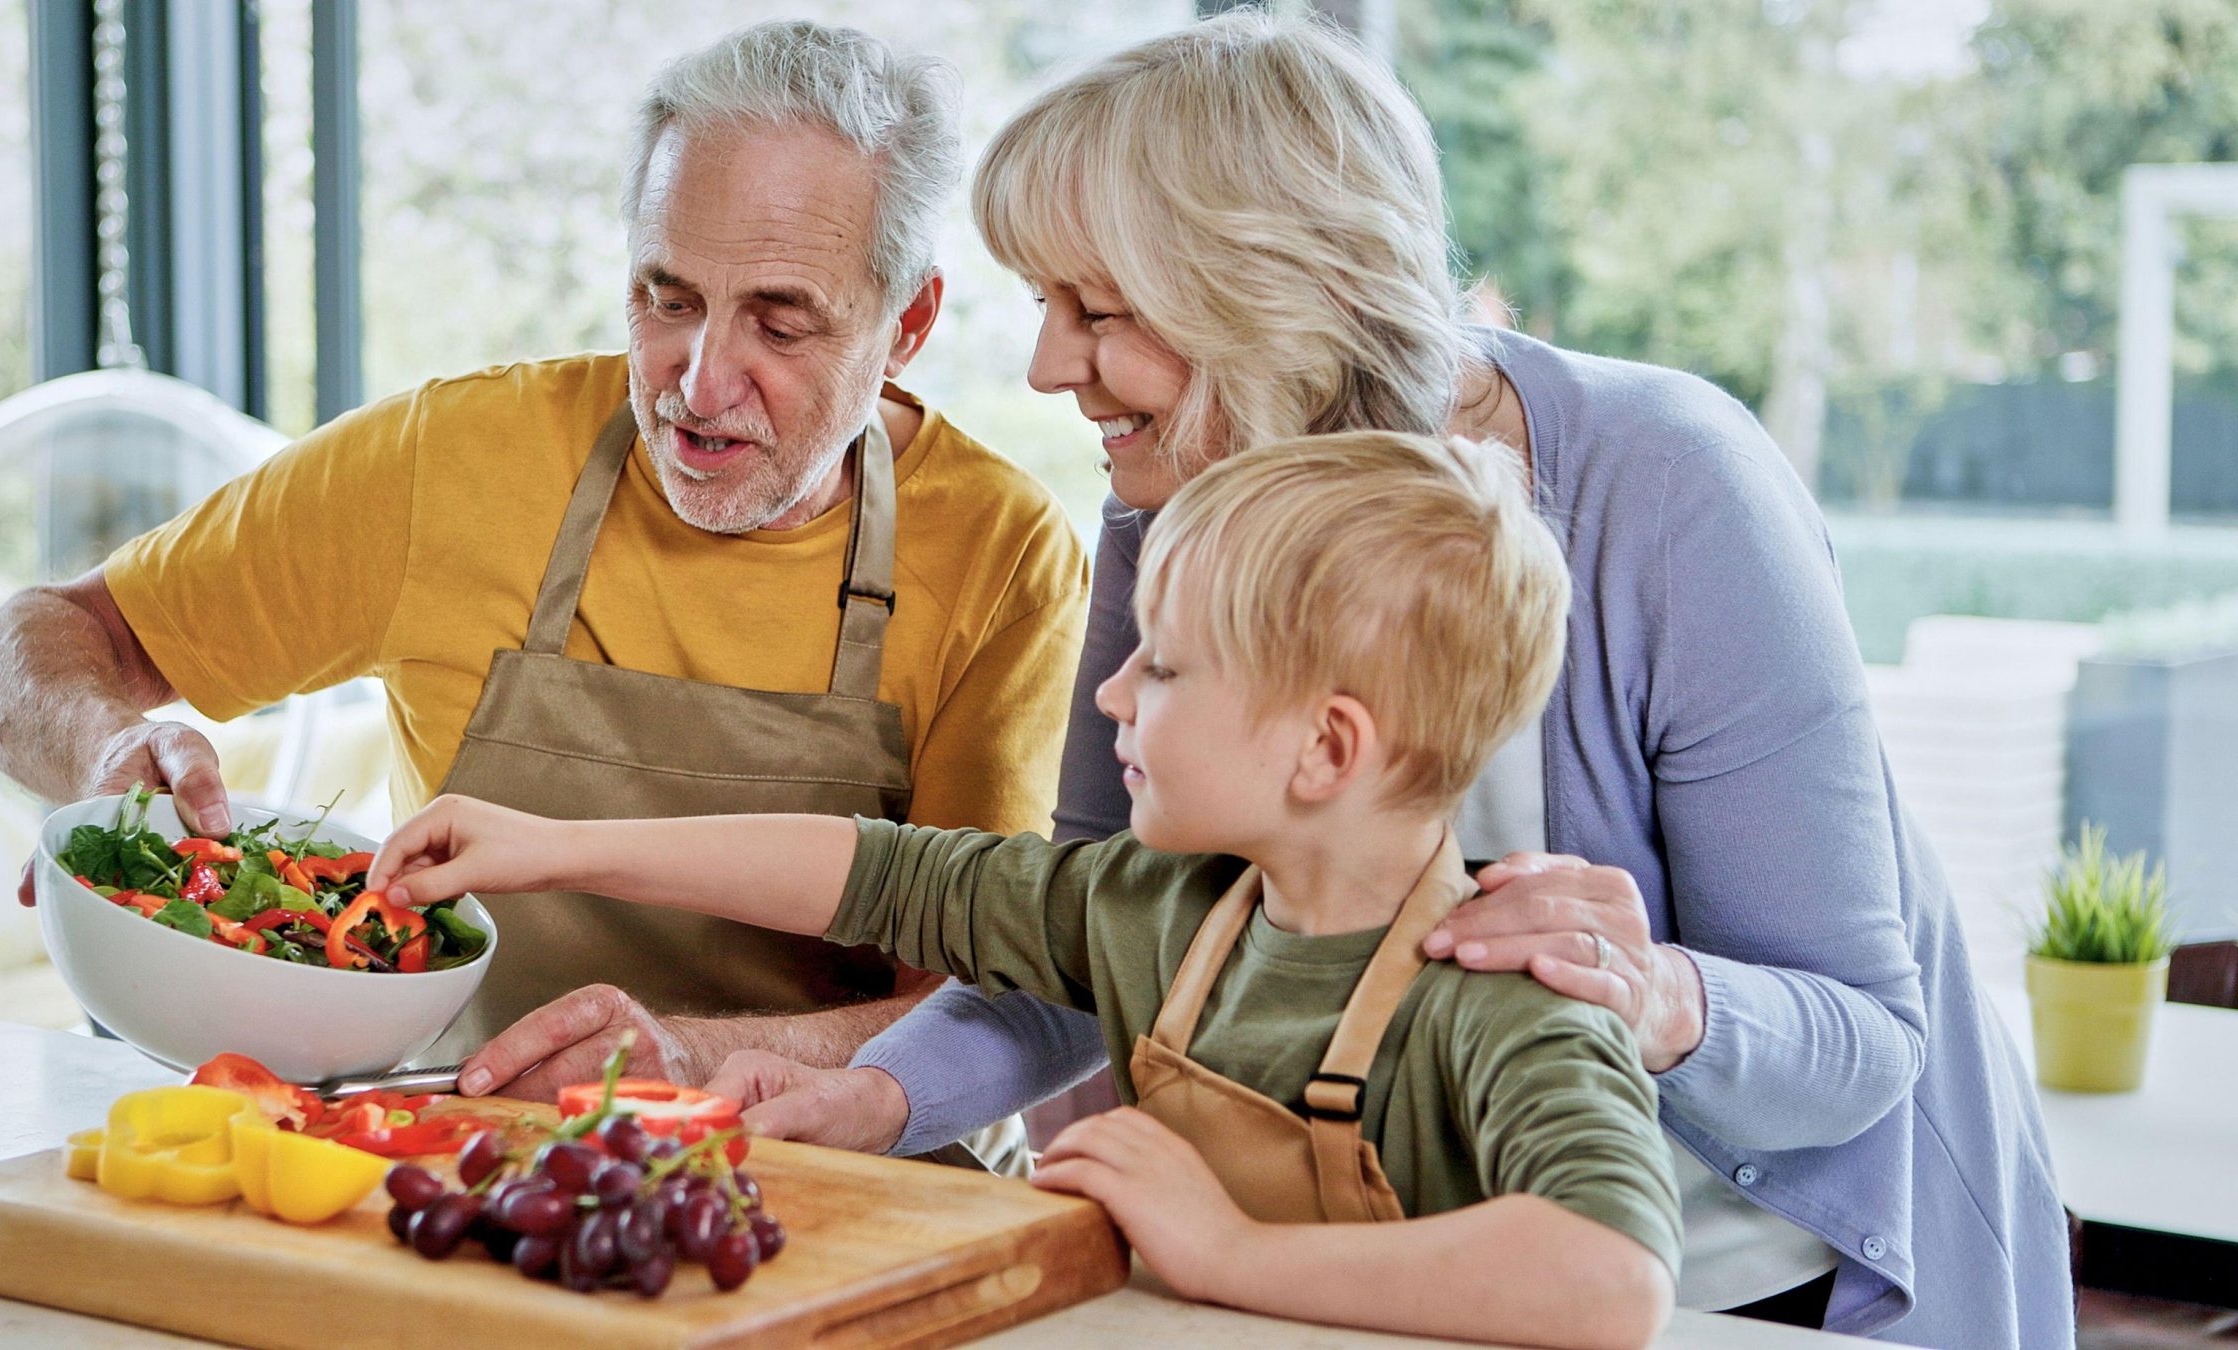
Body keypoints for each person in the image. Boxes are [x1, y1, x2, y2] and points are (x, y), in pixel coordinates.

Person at [716, 14, 2072, 1344]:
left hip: (1742, 1281)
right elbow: (1088, 933)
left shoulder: (1670, 490)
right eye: (1043, 305)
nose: (1046, 364)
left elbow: (1861, 1037)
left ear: (1268, 292)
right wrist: (878, 1098)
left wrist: (1656, 991)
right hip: (1372, 1282)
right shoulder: (1177, 495)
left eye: (1100, 310)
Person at [0, 21, 1088, 1122]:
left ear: (907, 324)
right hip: (463, 1154)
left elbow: (995, 991)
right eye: (667, 298)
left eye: (778, 327)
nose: (697, 384)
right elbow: (24, 643)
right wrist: (100, 753)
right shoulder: (452, 461)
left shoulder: (1001, 553)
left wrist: (696, 1059)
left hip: (858, 1190)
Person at [369, 431, 1682, 1350]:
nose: (1112, 695)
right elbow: (871, 872)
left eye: (1163, 670)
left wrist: (1226, 1249)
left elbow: (1611, 1279)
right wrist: (547, 845)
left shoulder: (1509, 1002)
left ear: (1324, 747)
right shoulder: (1152, 909)